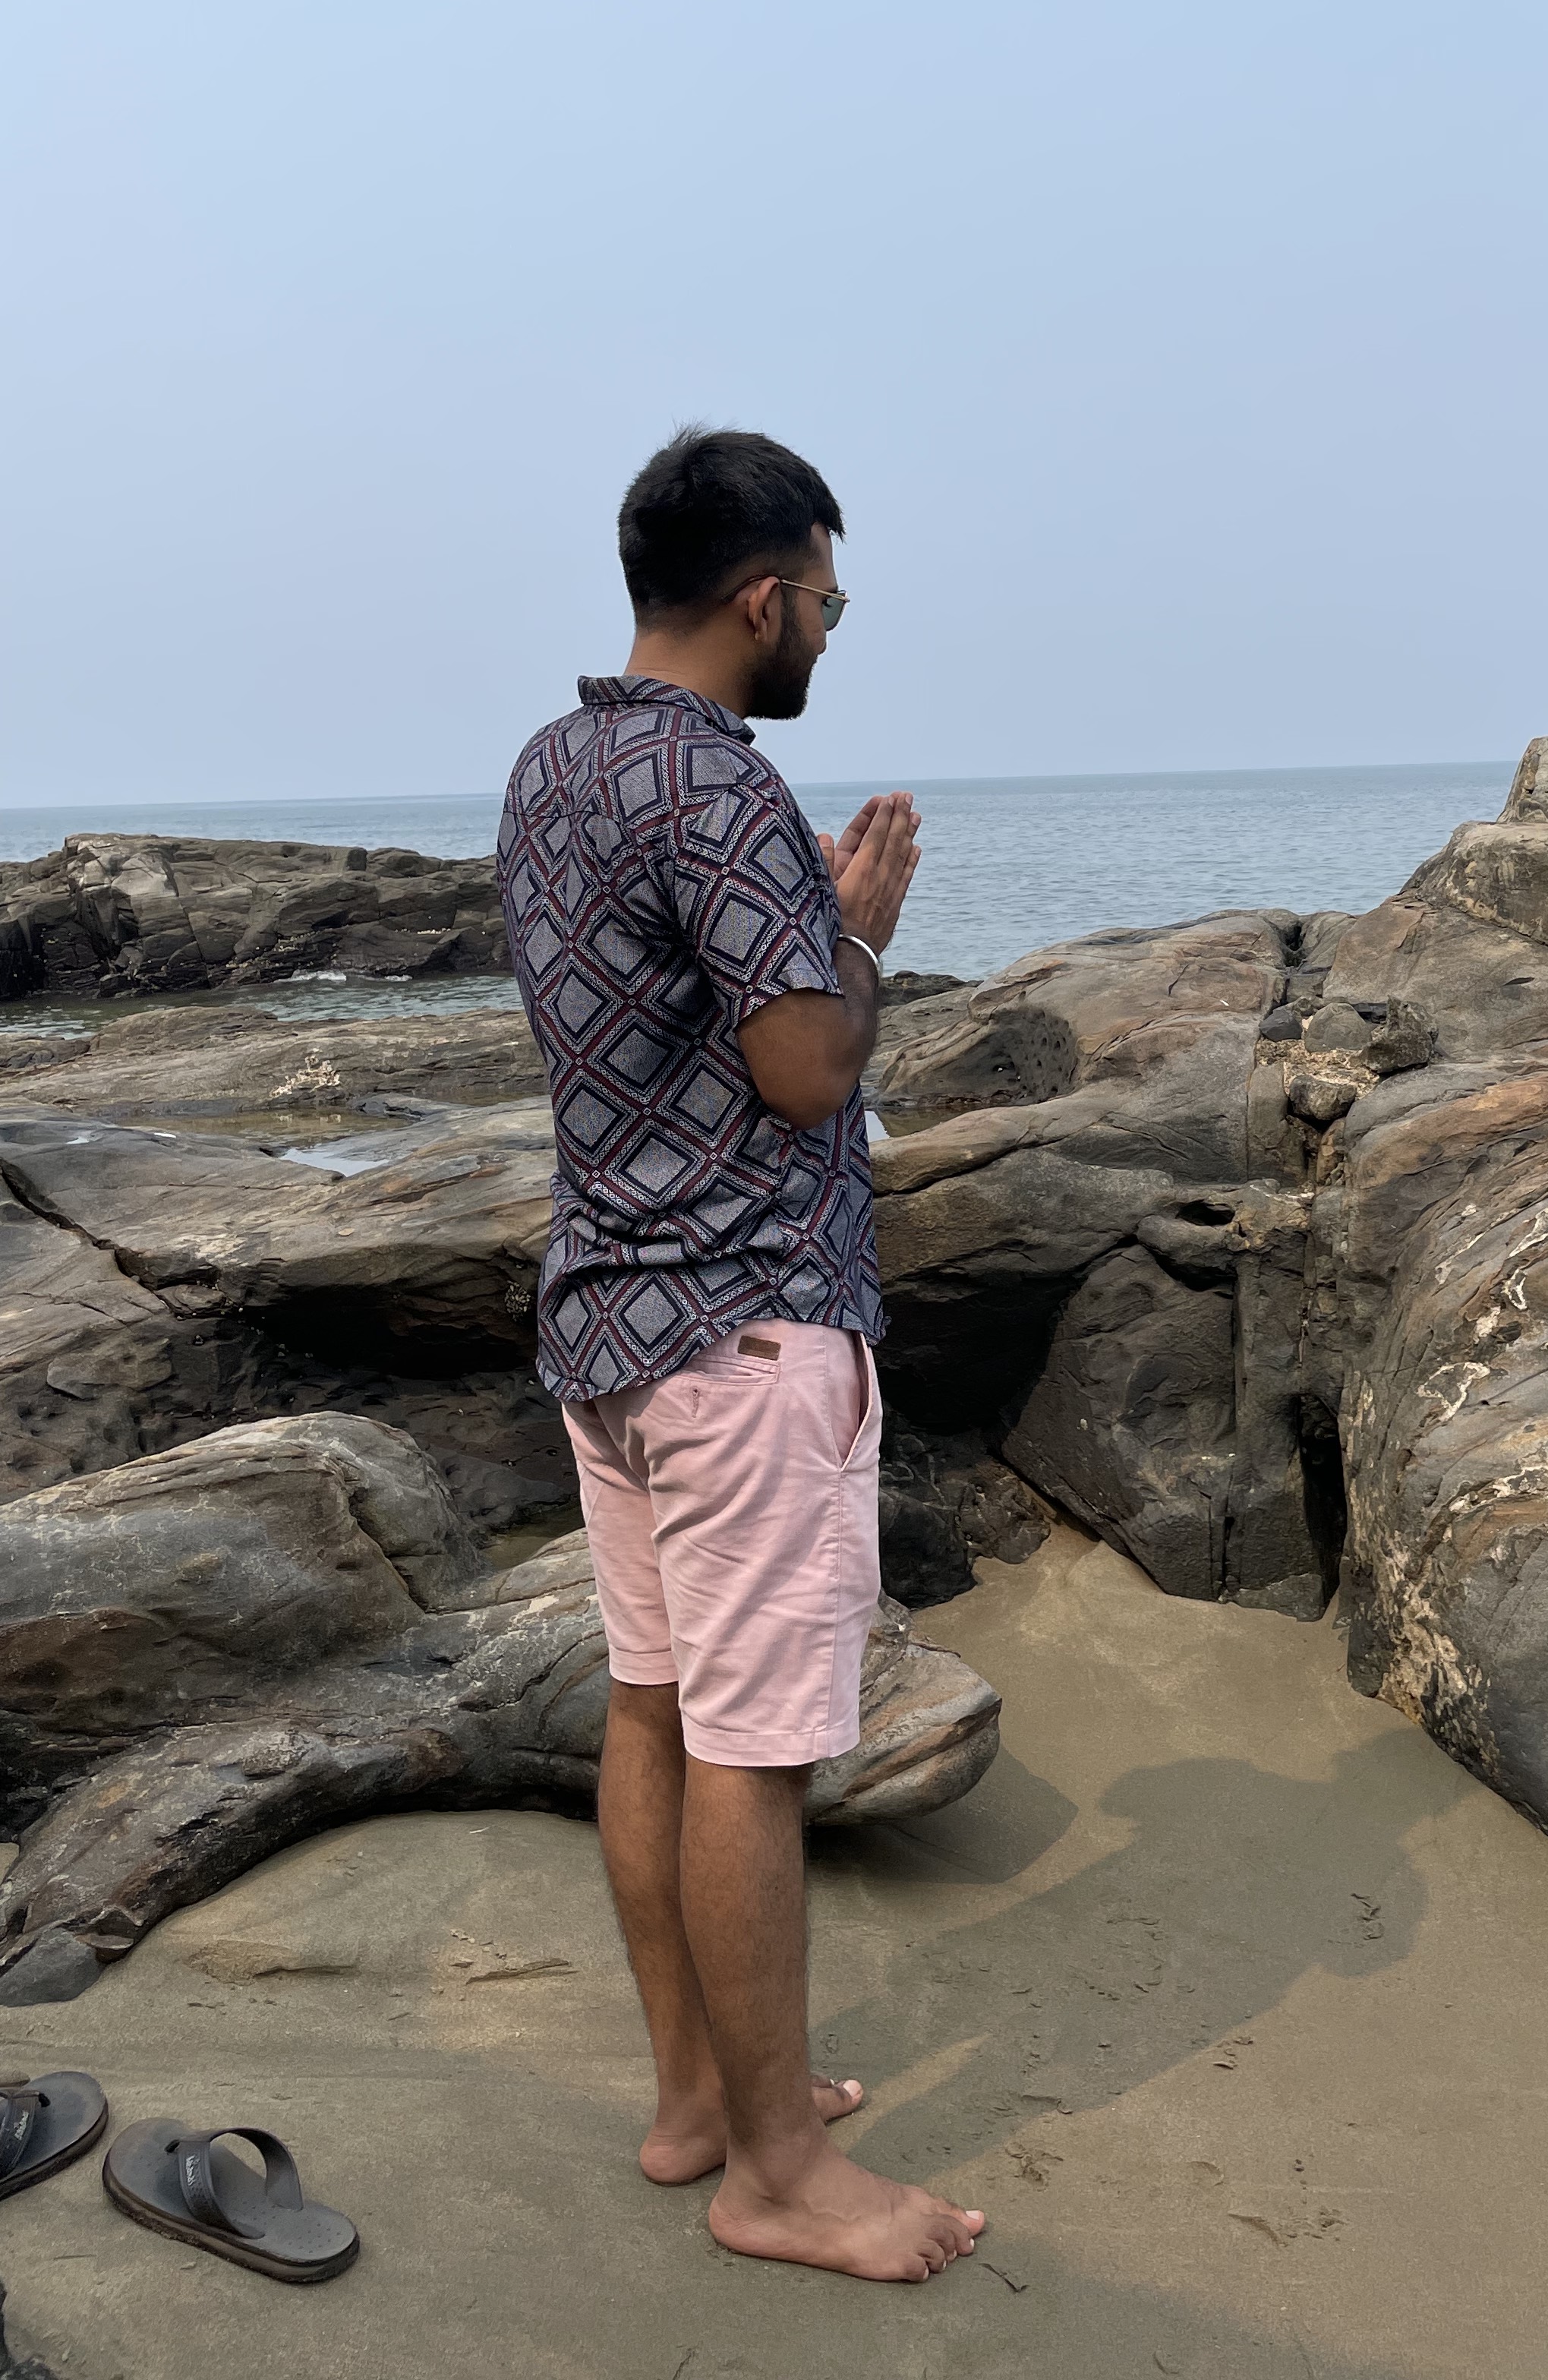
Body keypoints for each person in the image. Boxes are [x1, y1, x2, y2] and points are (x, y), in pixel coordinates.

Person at [497, 426, 983, 2284]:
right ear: (766, 592)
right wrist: (856, 941)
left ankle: (699, 2093)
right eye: (831, 602)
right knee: (756, 1753)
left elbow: (647, 1037)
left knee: (655, 1710)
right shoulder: (719, 789)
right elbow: (804, 1071)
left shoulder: (555, 767)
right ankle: (776, 2174)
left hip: (608, 1318)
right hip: (747, 1329)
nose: (831, 636)